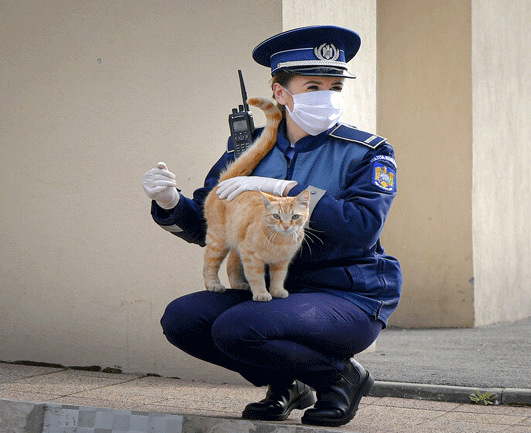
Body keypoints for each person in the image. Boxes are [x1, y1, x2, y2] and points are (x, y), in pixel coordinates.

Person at [142, 25, 401, 427]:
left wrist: (289, 188)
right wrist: (170, 203)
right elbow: (209, 229)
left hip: (347, 294)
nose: (327, 97)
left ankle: (341, 378)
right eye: (313, 86)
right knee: (182, 319)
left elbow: (362, 226)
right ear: (280, 94)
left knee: (238, 327)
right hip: (276, 292)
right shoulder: (249, 151)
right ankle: (286, 384)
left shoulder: (367, 152)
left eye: (335, 87)